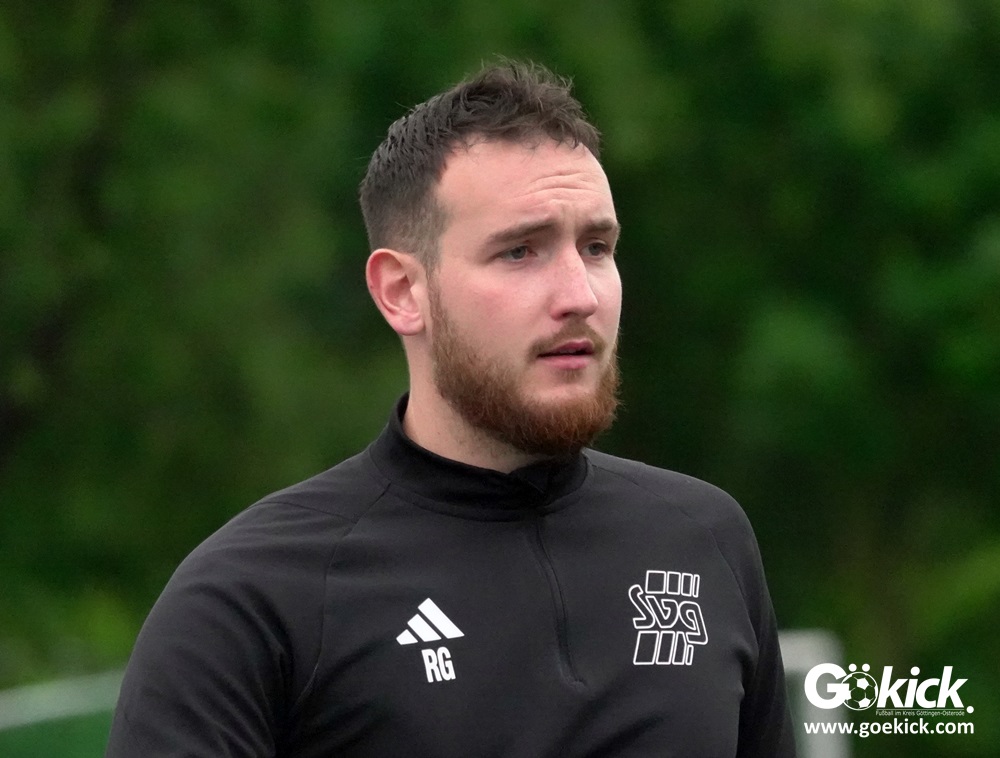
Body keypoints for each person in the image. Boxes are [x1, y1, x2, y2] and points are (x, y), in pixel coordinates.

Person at [106, 60, 796, 757]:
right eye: (520, 251)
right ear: (402, 292)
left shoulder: (703, 537)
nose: (580, 295)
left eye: (596, 247)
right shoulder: (253, 599)